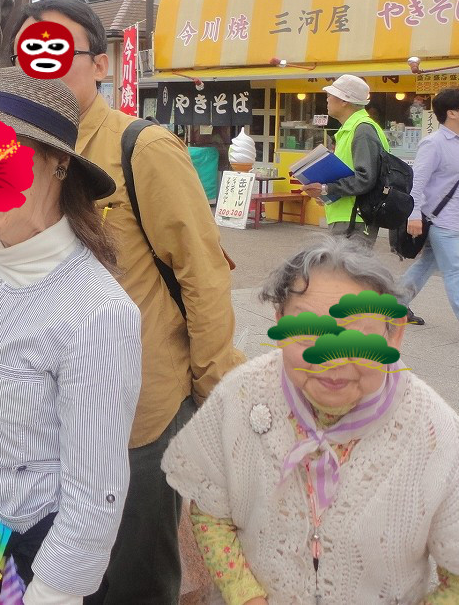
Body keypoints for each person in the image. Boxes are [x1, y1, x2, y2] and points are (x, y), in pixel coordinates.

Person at [0, 0, 243, 603]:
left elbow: (202, 274)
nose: (43, 64)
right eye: (28, 53)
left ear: (100, 63)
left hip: (138, 413)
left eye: (59, 50)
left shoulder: (142, 148)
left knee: (133, 574)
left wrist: (214, 393)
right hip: (7, 447)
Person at [0, 68, 142, 603]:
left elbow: (95, 491)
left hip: (34, 540)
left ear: (59, 163)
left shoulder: (98, 312)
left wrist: (55, 591)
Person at [161, 239, 459, 604]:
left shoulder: (435, 431)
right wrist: (246, 596)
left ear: (393, 334)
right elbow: (211, 512)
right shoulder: (241, 395)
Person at [302, 74, 392, 246]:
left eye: (330, 95)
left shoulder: (362, 130)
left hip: (354, 218)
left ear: (344, 100)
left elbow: (366, 178)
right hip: (349, 217)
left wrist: (326, 188)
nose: (327, 99)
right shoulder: (353, 129)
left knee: (348, 264)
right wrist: (326, 193)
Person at [399, 87, 459, 326]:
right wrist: (413, 216)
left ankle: (394, 305)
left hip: (453, 218)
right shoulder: (434, 143)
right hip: (441, 220)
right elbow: (417, 183)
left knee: (427, 263)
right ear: (452, 113)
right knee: (455, 270)